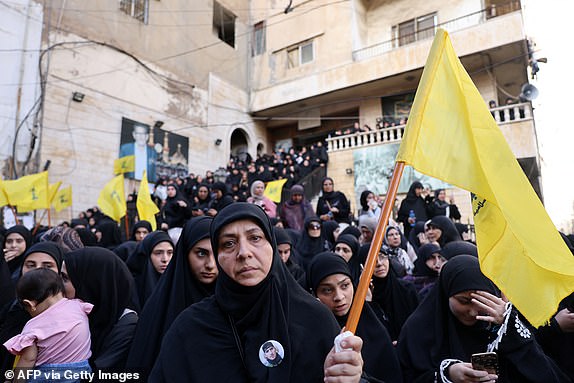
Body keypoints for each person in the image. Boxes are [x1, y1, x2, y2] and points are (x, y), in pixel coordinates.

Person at [150, 202, 364, 382]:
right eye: (229, 244)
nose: (244, 253)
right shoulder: (190, 329)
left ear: (271, 244)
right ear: (218, 255)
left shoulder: (315, 319)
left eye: (255, 238)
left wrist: (347, 375)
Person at [398, 255, 570, 383]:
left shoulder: (499, 326)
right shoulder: (417, 330)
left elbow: (547, 374)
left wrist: (511, 329)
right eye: (464, 301)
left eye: (482, 302)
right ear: (446, 294)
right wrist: (447, 375)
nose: (473, 312)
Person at [126, 216, 218, 379]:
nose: (210, 264)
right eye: (201, 253)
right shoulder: (160, 304)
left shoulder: (234, 302)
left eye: (216, 253)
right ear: (185, 253)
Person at [308, 252, 402, 383]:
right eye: (327, 290)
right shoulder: (309, 337)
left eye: (345, 285)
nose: (339, 297)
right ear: (314, 294)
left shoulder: (374, 326)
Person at [3, 268, 92, 382]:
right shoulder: (80, 306)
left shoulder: (34, 326)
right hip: (81, 371)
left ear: (30, 304)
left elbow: (28, 359)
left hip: (48, 376)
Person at [63, 247, 138, 370]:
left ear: (92, 283)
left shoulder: (127, 326)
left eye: (65, 278)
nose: (58, 285)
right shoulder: (72, 315)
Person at [370, 247, 419, 342]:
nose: (379, 263)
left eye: (382, 257)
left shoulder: (407, 289)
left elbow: (417, 324)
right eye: (372, 259)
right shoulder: (362, 298)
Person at [126, 231, 174, 308]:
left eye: (170, 252)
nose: (165, 259)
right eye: (158, 253)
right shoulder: (132, 287)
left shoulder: (177, 282)